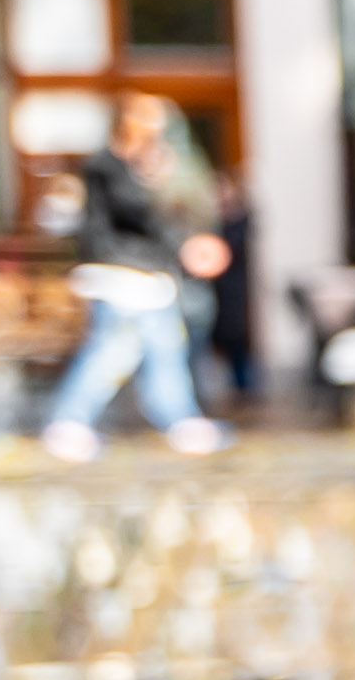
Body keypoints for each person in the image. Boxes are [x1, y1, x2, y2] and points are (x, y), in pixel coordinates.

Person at [42, 92, 229, 457]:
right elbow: (139, 213)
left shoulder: (131, 167)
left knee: (155, 349)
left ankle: (177, 419)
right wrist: (154, 183)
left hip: (145, 276)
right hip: (122, 275)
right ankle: (71, 421)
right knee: (115, 350)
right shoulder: (107, 167)